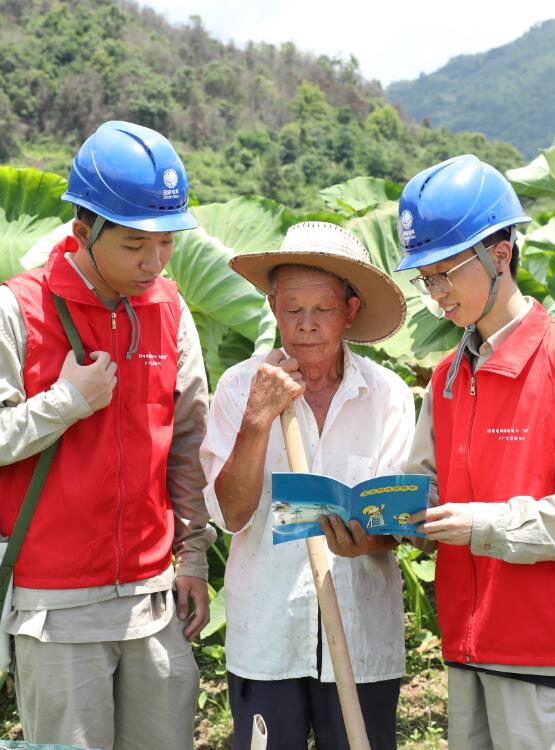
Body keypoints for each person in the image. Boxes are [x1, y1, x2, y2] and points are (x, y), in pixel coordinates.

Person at [0, 120, 215, 750]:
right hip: (54, 607)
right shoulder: (16, 310)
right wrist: (64, 403)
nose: (153, 262)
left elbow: (188, 444)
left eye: (166, 243)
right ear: (82, 230)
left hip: (152, 600)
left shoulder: (169, 310)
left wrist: (192, 555)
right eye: (133, 245)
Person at [399, 155, 555, 749]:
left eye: (445, 273)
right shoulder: (448, 377)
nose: (436, 294)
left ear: (499, 255)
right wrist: (400, 514)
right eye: (425, 279)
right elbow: (428, 485)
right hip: (469, 647)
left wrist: (484, 524)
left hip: (551, 656)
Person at [200, 221, 414, 750]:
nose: (306, 325)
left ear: (351, 310)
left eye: (322, 310)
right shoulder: (238, 387)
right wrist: (257, 420)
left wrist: (367, 538)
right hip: (269, 634)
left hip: (363, 639)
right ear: (273, 307)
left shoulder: (385, 394)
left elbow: (398, 522)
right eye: (292, 308)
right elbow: (230, 513)